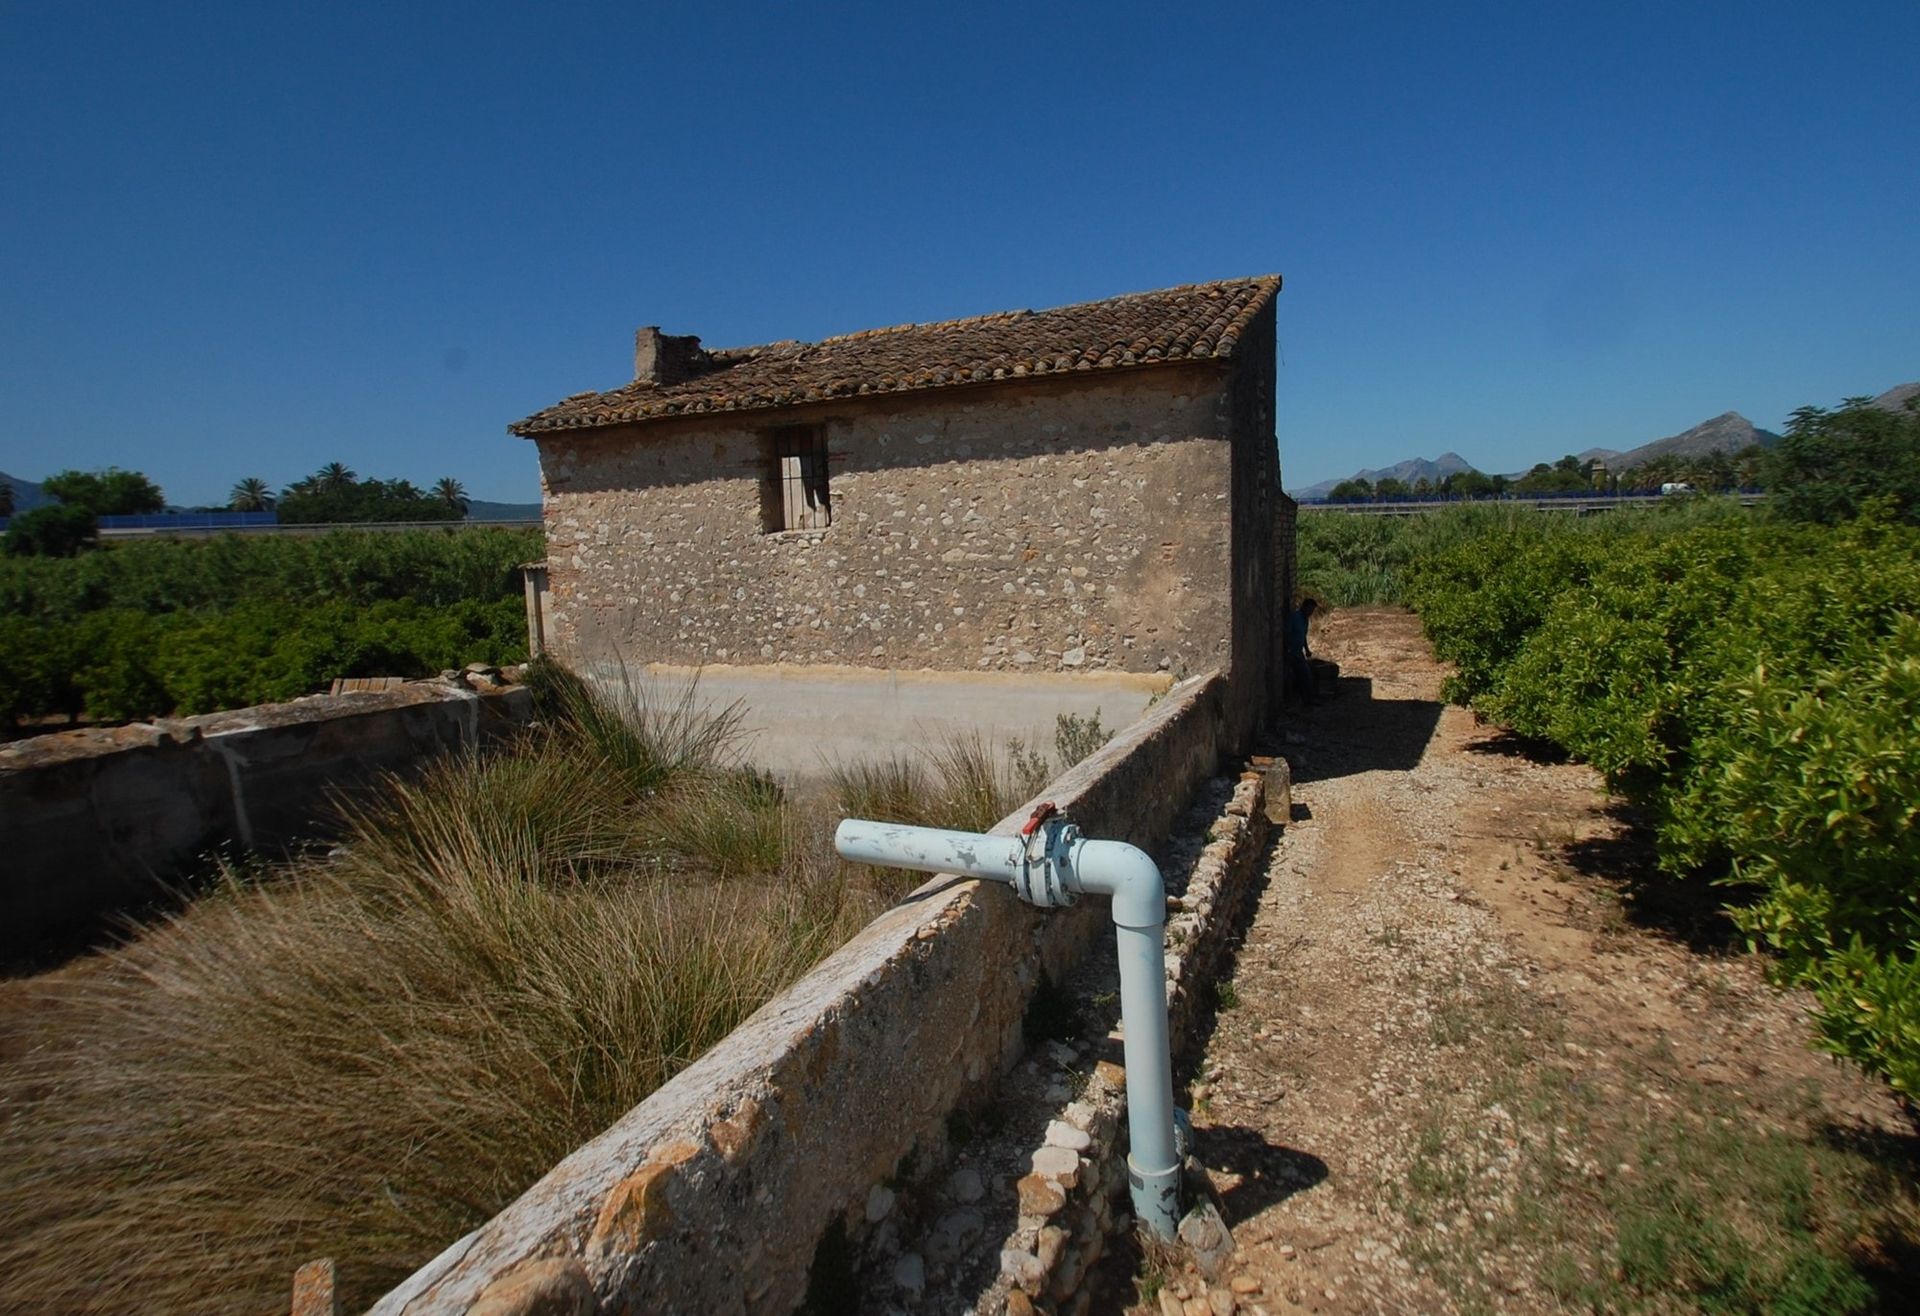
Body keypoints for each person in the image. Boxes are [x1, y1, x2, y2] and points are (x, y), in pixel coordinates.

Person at [1284, 597, 1318, 704]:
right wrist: (1287, 649)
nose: (1311, 613)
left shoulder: (1305, 620)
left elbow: (1303, 636)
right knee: (1305, 674)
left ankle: (1305, 699)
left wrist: (1307, 650)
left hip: (1298, 653)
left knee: (1305, 675)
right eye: (1310, 610)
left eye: (1312, 611)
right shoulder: (1294, 618)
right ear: (1304, 607)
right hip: (1291, 653)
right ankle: (1305, 700)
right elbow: (1286, 634)